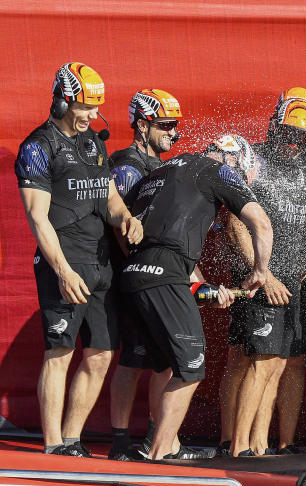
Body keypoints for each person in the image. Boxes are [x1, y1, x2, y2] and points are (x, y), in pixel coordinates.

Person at [15, 62, 144, 456]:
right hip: (64, 262)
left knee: (102, 352)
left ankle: (72, 439)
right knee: (60, 353)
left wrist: (126, 218)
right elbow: (37, 217)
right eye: (86, 108)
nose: (93, 116)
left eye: (96, 108)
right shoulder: (38, 146)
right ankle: (53, 445)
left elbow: (107, 194)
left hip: (100, 261)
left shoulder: (93, 143)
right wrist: (63, 270)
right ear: (64, 100)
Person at [120, 133, 273, 459]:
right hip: (163, 274)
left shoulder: (165, 170)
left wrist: (207, 291)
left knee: (165, 367)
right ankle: (158, 455)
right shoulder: (218, 170)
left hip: (134, 274)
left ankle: (162, 446)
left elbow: (163, 243)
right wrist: (261, 271)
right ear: (235, 162)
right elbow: (261, 224)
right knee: (191, 366)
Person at [225, 88, 306, 457]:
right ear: (274, 128)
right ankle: (237, 448)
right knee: (257, 361)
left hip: (292, 279)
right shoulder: (255, 160)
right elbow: (234, 219)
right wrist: (262, 272)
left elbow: (304, 221)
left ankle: (260, 446)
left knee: (279, 364)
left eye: (302, 138)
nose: (294, 143)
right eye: (288, 134)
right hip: (265, 278)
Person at [107, 88, 183, 461]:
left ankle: (163, 441)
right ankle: (120, 441)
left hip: (161, 275)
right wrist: (138, 266)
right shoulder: (126, 165)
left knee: (166, 359)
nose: (174, 132)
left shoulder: (163, 164)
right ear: (141, 124)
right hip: (132, 275)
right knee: (133, 357)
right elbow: (121, 229)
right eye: (166, 125)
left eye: (176, 125)